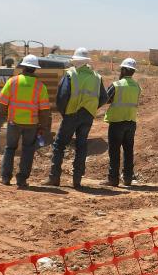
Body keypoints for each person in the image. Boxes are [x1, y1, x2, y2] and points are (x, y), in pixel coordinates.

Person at [45, 47, 107, 189]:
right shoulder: (97, 77)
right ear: (86, 62)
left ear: (75, 61)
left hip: (71, 114)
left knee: (59, 145)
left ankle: (54, 177)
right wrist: (91, 107)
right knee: (81, 145)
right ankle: (77, 181)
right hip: (87, 116)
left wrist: (65, 113)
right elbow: (104, 97)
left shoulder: (70, 75)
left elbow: (61, 97)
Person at [0, 54, 51, 188]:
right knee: (27, 150)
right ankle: (21, 180)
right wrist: (43, 127)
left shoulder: (13, 81)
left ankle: (5, 178)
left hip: (13, 122)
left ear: (23, 67)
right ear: (35, 69)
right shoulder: (40, 86)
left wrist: (6, 115)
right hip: (31, 125)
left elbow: (2, 102)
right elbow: (44, 110)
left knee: (10, 148)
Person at [104, 57, 142, 187]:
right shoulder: (137, 86)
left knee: (114, 151)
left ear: (124, 70)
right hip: (131, 121)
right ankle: (127, 178)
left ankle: (113, 179)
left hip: (117, 122)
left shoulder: (117, 85)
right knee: (128, 151)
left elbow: (106, 99)